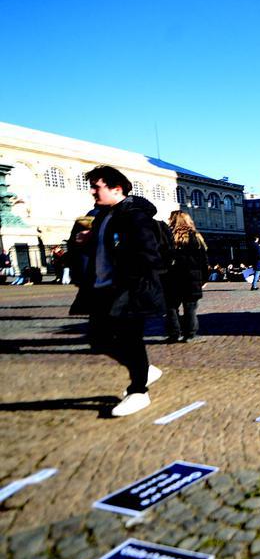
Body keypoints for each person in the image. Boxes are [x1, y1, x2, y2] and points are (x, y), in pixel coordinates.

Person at [70, 166, 164, 417]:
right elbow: (105, 249)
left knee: (131, 341)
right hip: (103, 288)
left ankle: (138, 391)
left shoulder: (134, 215)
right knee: (98, 339)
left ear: (116, 188)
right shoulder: (103, 216)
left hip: (127, 290)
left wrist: (128, 278)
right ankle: (145, 370)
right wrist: (87, 242)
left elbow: (148, 255)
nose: (92, 191)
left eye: (97, 186)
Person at [164, 210, 209, 343]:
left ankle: (174, 333)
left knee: (171, 307)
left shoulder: (167, 236)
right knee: (190, 307)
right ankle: (189, 334)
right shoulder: (195, 236)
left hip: (171, 276)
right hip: (191, 277)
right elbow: (203, 261)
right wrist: (204, 278)